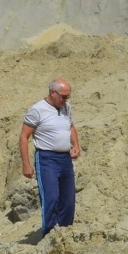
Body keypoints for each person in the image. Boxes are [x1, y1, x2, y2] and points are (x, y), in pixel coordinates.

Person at [19, 78, 81, 237]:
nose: (66, 100)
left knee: (68, 201)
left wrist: (76, 145)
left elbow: (71, 127)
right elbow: (24, 136)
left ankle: (65, 234)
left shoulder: (66, 107)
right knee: (51, 197)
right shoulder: (37, 110)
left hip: (65, 159)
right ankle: (49, 235)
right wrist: (26, 164)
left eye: (68, 97)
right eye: (63, 96)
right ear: (52, 92)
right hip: (47, 159)